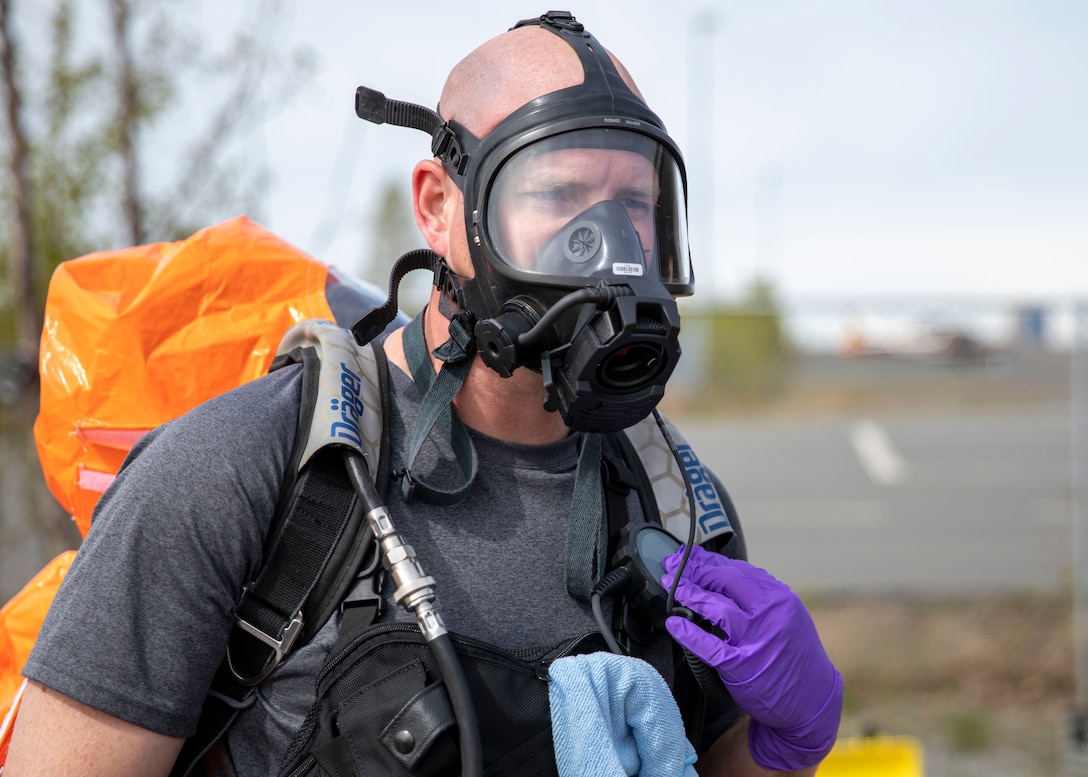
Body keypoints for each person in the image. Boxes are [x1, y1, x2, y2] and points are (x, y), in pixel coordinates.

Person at [5, 12, 841, 777]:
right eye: (557, 196)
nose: (609, 248)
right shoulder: (244, 473)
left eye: (635, 203)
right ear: (441, 209)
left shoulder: (677, 505)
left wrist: (780, 745)